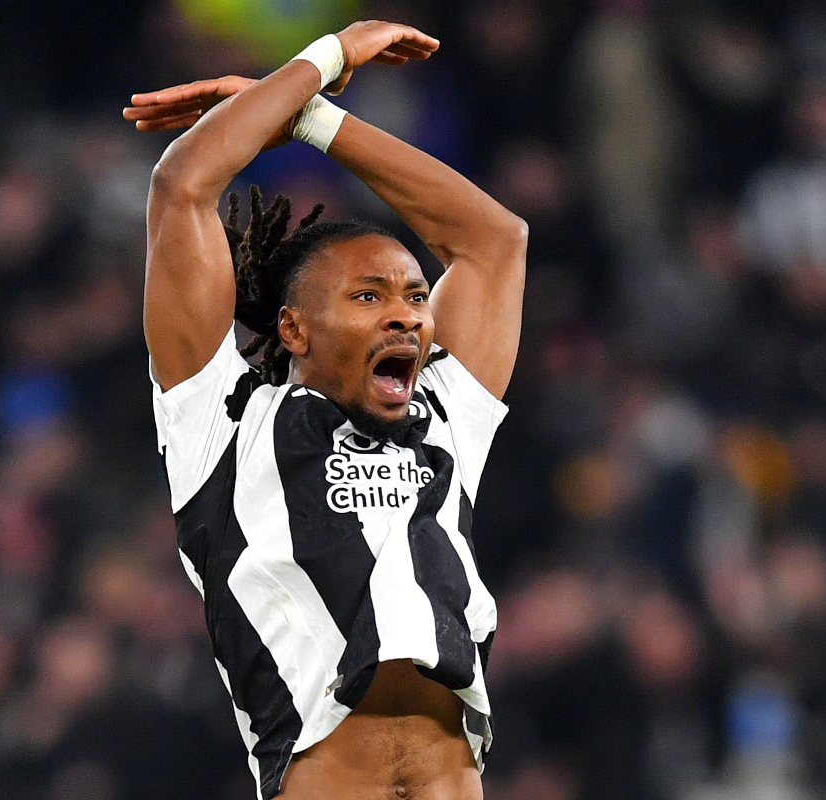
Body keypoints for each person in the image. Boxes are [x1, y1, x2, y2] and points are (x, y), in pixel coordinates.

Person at [123, 20, 527, 800]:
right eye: (368, 296)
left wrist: (312, 121)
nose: (407, 314)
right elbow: (184, 184)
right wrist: (327, 58)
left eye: (415, 296)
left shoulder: (444, 416)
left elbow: (494, 241)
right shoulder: (222, 423)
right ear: (293, 328)